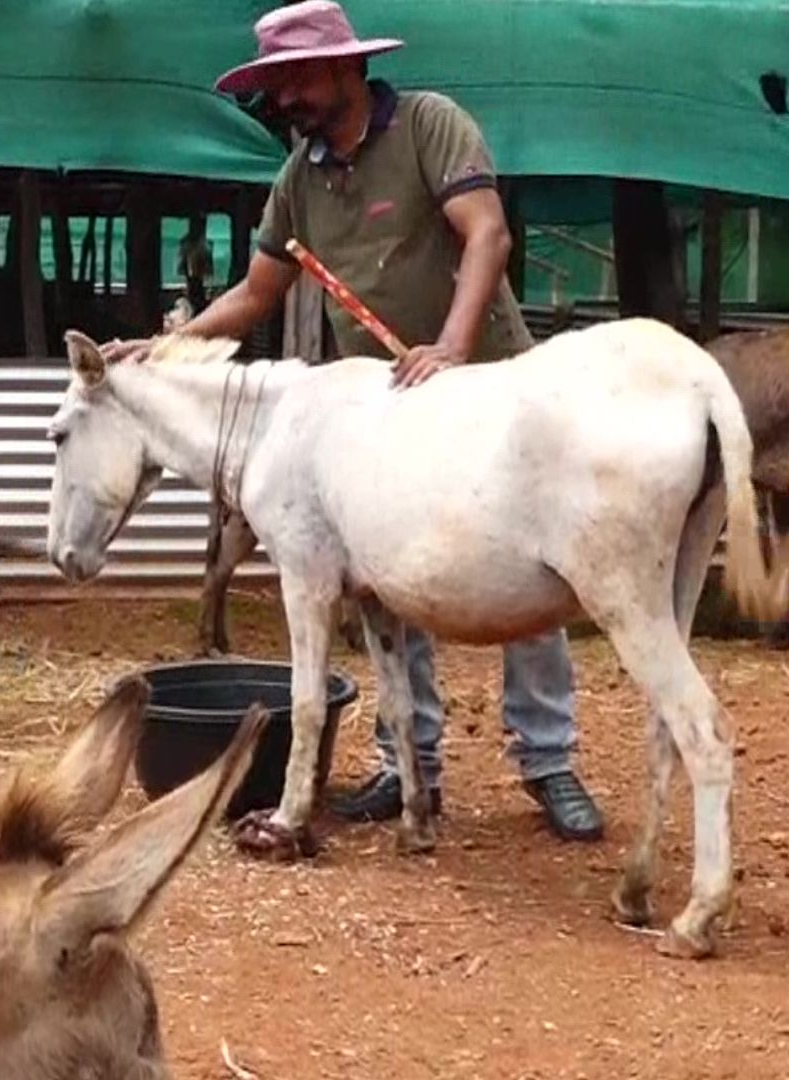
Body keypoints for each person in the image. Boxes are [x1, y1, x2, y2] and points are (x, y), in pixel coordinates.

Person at [105, 0, 603, 841]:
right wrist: (161, 347)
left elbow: (486, 237)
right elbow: (257, 293)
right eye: (275, 84)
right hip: (382, 407)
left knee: (528, 569)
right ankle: (413, 766)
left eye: (295, 79)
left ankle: (549, 761)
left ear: (346, 68)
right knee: (388, 574)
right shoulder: (298, 178)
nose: (286, 99)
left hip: (488, 386)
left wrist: (448, 347)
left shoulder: (430, 125)